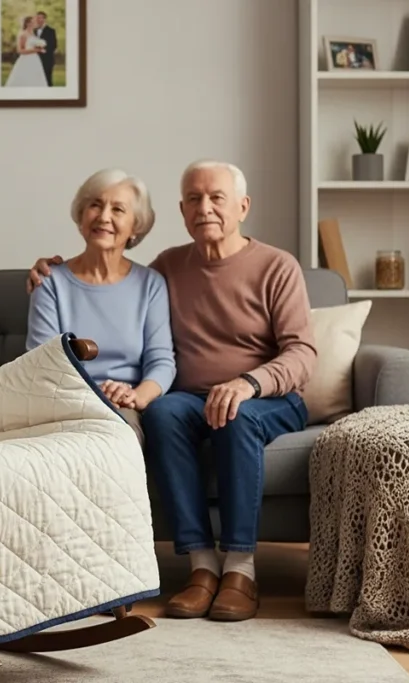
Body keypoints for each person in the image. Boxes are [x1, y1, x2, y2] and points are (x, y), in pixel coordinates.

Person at [26, 160, 316, 623]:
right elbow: (109, 276)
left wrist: (248, 384)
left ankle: (240, 570)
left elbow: (302, 354)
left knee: (234, 414)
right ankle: (201, 567)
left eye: (217, 198)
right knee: (162, 415)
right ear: (182, 211)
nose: (206, 208)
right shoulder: (167, 269)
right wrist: (47, 267)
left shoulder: (277, 266)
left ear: (242, 206)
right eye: (195, 199)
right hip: (191, 399)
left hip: (268, 398)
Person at [25, 168, 176, 442]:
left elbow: (162, 361)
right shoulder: (50, 281)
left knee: (117, 436)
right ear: (82, 215)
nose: (103, 216)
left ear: (136, 227)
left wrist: (136, 396)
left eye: (118, 209)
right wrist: (88, 397)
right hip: (65, 402)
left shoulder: (151, 284)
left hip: (124, 405)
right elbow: (41, 362)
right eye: (95, 204)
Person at [5, 15, 49, 88]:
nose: (35, 23)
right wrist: (37, 50)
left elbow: (32, 45)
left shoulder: (33, 33)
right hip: (26, 60)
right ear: (28, 23)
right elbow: (20, 50)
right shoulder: (23, 34)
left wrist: (40, 48)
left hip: (35, 59)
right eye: (33, 22)